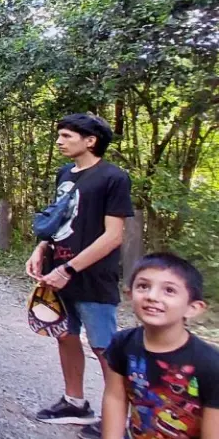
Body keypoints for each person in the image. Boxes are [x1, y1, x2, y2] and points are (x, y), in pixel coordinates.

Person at [25, 114, 133, 436]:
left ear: (91, 141)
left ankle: (120, 420)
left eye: (67, 136)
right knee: (65, 334)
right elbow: (61, 217)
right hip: (57, 270)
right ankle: (75, 402)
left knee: (104, 347)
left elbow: (113, 235)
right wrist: (41, 248)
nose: (59, 141)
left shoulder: (113, 177)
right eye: (59, 135)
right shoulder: (65, 173)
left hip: (91, 276)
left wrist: (69, 269)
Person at [101, 253, 219, 439]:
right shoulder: (122, 343)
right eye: (143, 286)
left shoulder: (211, 364)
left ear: (192, 308)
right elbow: (115, 398)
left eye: (169, 290)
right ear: (129, 294)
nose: (152, 296)